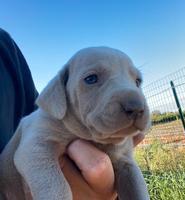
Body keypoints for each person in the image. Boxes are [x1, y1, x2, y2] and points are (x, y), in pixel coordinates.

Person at [0, 28, 145, 200]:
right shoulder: (49, 119)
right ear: (61, 90)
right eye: (91, 79)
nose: (136, 103)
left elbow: (126, 168)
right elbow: (30, 154)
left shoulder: (6, 49)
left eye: (136, 81)